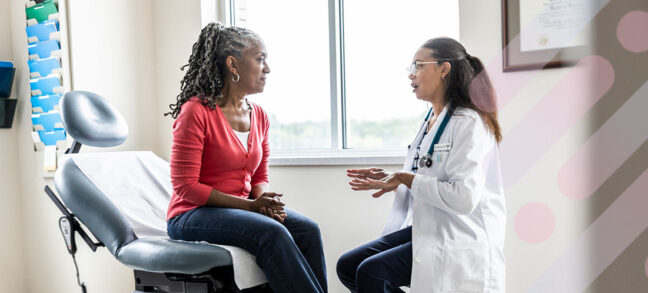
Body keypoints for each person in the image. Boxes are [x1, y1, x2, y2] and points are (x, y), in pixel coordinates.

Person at [164, 23, 327, 293]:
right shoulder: (196, 112)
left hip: (240, 209)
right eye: (260, 59)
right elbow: (186, 188)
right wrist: (250, 207)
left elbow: (259, 177)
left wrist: (264, 203)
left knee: (308, 230)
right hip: (190, 215)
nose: (267, 68)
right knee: (271, 233)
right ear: (233, 64)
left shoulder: (259, 115)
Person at [336, 37, 506, 293]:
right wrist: (392, 178)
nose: (410, 74)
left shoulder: (468, 122)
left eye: (417, 66)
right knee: (348, 266)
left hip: (460, 235)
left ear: (443, 69)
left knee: (372, 272)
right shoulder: (432, 118)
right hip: (431, 225)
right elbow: (428, 173)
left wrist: (405, 178)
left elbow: (463, 198)